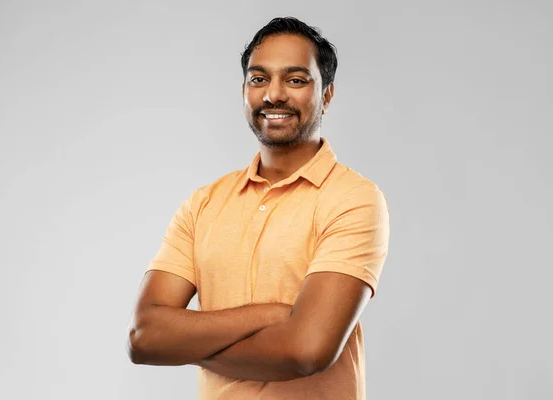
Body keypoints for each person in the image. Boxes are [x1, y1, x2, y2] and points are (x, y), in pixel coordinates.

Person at [127, 16, 390, 400]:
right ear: (244, 89)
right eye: (259, 79)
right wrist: (269, 315)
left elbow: (306, 351)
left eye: (296, 80)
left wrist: (186, 343)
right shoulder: (203, 203)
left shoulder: (353, 199)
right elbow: (145, 337)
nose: (274, 95)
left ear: (327, 95)